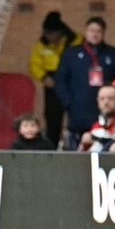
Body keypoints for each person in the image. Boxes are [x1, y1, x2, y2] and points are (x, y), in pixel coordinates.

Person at [55, 16, 115, 150]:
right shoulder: (72, 54)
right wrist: (69, 102)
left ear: (103, 33)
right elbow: (61, 80)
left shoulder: (112, 54)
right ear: (86, 32)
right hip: (78, 111)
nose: (95, 34)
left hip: (105, 110)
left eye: (98, 31)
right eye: (92, 30)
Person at [29, 11, 79, 148]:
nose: (48, 37)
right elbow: (34, 64)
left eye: (51, 34)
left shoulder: (75, 41)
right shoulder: (42, 45)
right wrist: (43, 77)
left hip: (72, 83)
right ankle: (51, 147)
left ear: (59, 32)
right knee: (52, 119)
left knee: (75, 115)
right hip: (52, 83)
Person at [78, 84, 115, 152]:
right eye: (102, 99)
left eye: (110, 98)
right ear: (98, 101)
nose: (106, 102)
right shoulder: (96, 127)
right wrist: (85, 145)